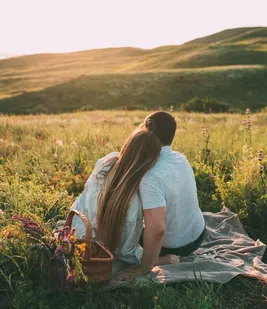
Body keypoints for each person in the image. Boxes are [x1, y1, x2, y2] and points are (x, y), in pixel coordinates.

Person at [70, 122, 179, 266]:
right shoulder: (133, 201)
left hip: (74, 232)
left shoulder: (106, 161)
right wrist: (158, 260)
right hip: (94, 255)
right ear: (151, 161)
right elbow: (126, 252)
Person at [114, 111, 205, 281]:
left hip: (177, 247)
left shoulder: (151, 176)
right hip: (199, 234)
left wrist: (143, 269)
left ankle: (159, 259)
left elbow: (157, 230)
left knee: (124, 226)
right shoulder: (180, 158)